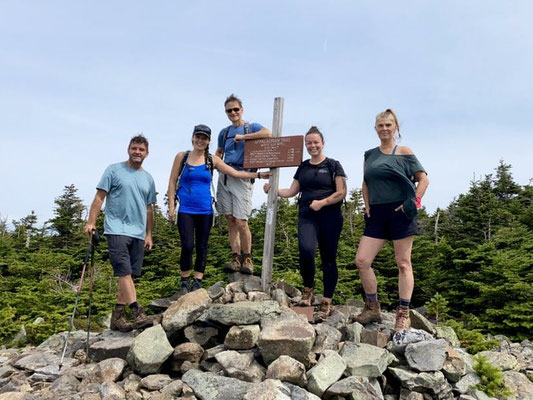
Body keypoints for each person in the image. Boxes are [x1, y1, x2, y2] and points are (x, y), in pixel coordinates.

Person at [168, 124, 270, 295]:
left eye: (204, 138)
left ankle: (197, 281)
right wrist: (171, 206)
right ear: (193, 137)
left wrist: (258, 175)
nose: (200, 140)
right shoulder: (182, 157)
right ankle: (184, 281)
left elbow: (234, 173)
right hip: (185, 208)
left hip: (205, 210)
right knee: (187, 245)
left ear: (208, 141)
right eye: (198, 137)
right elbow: (172, 181)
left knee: (202, 246)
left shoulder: (211, 159)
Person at [354, 109, 429, 332]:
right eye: (380, 125)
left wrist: (414, 202)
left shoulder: (404, 152)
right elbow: (366, 182)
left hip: (400, 211)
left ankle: (403, 313)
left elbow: (423, 179)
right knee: (362, 261)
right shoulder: (370, 154)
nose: (384, 129)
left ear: (395, 128)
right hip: (376, 212)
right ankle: (372, 306)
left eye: (388, 125)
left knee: (403, 263)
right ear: (375, 128)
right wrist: (366, 204)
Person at [264, 126, 347, 318]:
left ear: (322, 143)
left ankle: (327, 299)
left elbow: (341, 192)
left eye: (316, 142)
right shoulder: (303, 167)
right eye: (309, 143)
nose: (312, 146)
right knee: (306, 250)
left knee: (328, 257)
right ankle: (308, 290)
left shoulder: (333, 165)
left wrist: (322, 203)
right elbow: (292, 191)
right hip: (307, 214)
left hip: (330, 215)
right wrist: (273, 189)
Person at [84, 135, 157, 332]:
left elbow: (149, 208)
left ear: (147, 153)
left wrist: (149, 234)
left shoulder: (148, 178)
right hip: (116, 228)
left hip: (139, 232)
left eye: (141, 150)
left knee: (130, 275)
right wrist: (91, 222)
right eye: (134, 148)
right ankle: (136, 312)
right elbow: (100, 197)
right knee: (124, 271)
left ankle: (117, 316)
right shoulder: (114, 170)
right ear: (128, 150)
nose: (137, 152)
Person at [215, 94, 271, 274]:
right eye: (229, 110)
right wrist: (213, 164)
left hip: (243, 176)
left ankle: (247, 258)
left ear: (242, 110)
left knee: (241, 221)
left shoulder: (250, 127)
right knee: (230, 220)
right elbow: (219, 152)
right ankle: (235, 258)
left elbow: (267, 133)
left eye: (235, 109)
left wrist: (245, 137)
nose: (233, 113)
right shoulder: (224, 133)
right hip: (224, 176)